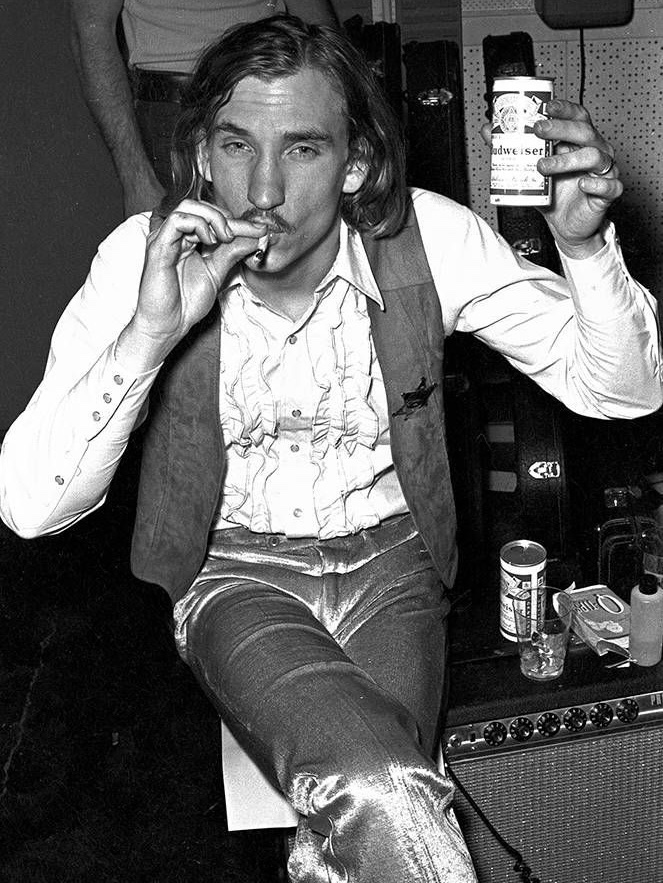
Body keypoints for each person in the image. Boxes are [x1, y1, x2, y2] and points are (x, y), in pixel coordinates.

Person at [2, 13, 660, 882]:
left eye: (303, 149)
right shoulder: (140, 258)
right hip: (234, 573)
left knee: (353, 832)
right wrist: (150, 335)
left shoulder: (430, 237)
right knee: (382, 783)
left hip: (397, 569)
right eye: (236, 145)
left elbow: (622, 389)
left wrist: (583, 248)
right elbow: (27, 505)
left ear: (355, 164)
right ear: (200, 152)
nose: (261, 189)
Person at [68, 0, 340, 216]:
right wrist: (136, 179)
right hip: (169, 116)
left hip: (263, 103)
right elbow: (90, 30)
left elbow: (322, 32)